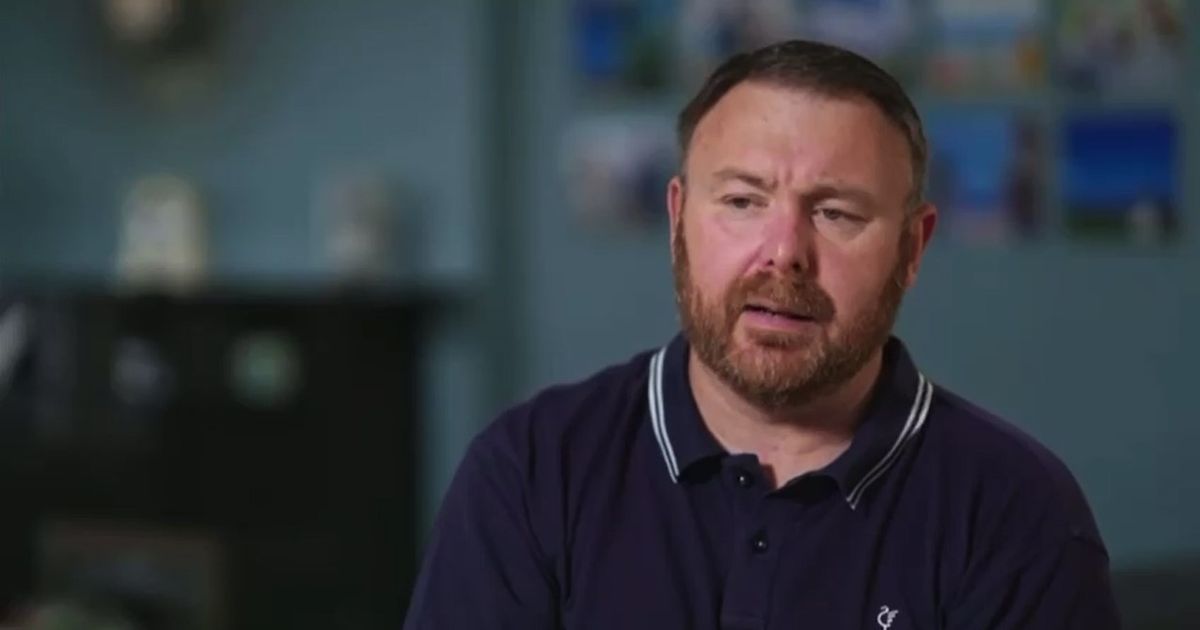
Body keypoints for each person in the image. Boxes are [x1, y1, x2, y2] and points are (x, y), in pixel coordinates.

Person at [404, 40, 1121, 629]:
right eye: (743, 201)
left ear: (912, 248)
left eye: (836, 213)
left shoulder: (1016, 510)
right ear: (678, 220)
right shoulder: (532, 472)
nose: (784, 253)